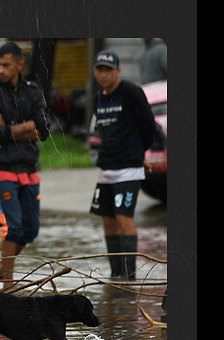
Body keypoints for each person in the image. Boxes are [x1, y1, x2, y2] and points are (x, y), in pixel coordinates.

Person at [0, 41, 51, 286]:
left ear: (20, 64)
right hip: (2, 170)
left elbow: (44, 130)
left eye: (5, 65)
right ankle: (8, 286)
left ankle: (1, 266)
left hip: (29, 170)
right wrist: (27, 126)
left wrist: (10, 127)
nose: (0, 69)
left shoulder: (32, 91)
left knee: (30, 230)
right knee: (14, 228)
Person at [88, 50, 157, 281]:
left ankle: (129, 275)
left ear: (118, 71)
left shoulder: (131, 92)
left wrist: (139, 153)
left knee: (123, 217)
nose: (104, 74)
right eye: (100, 69)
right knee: (107, 218)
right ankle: (115, 272)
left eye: (109, 69)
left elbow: (148, 126)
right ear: (95, 72)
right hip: (105, 167)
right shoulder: (99, 98)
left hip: (128, 167)